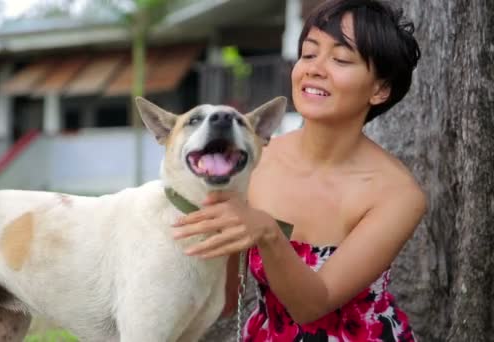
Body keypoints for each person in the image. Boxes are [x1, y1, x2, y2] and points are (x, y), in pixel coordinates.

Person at [172, 0, 424, 340]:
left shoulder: (397, 195)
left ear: (380, 89)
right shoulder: (257, 159)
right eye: (308, 54)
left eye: (340, 59)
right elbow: (228, 300)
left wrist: (268, 233)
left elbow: (311, 306)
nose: (315, 69)